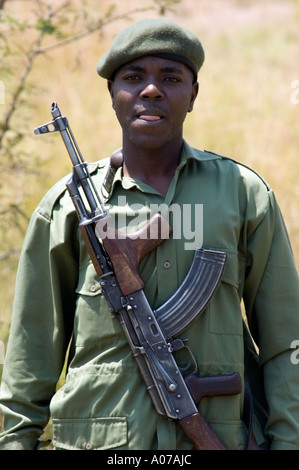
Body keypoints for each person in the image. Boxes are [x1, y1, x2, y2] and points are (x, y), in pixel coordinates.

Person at [0, 18, 299, 451]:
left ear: (193, 94)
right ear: (112, 94)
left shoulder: (243, 194)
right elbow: (30, 355)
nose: (151, 90)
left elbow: (284, 342)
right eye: (134, 77)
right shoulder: (65, 209)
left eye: (171, 78)